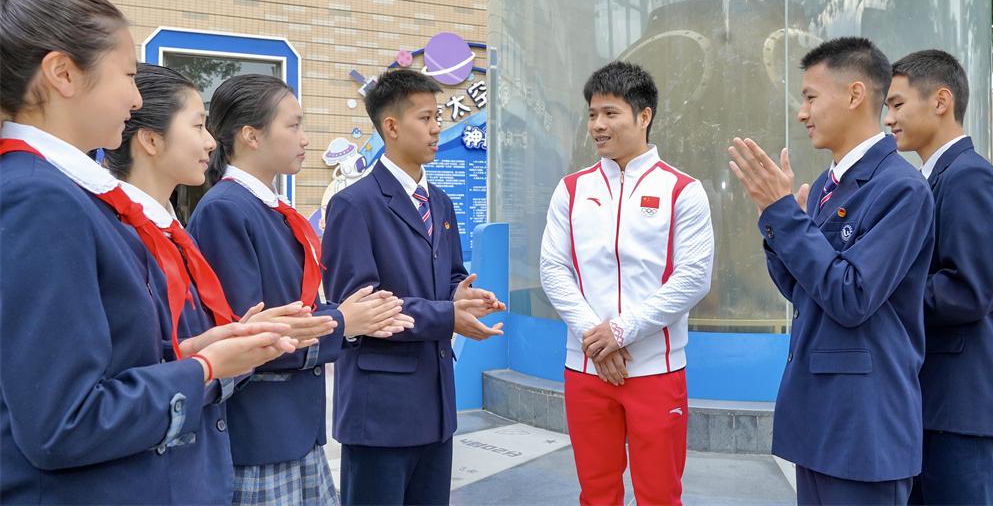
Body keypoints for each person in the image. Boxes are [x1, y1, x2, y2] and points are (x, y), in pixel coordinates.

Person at [0, 0, 293, 504]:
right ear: (63, 74)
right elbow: (64, 422)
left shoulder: (65, 194)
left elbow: (104, 363)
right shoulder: (40, 198)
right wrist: (203, 369)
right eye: (129, 75)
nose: (136, 98)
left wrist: (191, 351)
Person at [727, 37, 934, 505]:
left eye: (810, 97)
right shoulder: (827, 183)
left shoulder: (901, 188)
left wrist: (785, 217)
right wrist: (780, 226)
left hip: (863, 428)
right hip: (820, 421)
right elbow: (803, 290)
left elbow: (851, 296)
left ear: (855, 94)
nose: (802, 112)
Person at [187, 73, 410, 505]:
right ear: (251, 135)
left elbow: (295, 311)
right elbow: (248, 335)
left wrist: (344, 316)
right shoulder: (225, 210)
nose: (305, 138)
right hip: (259, 439)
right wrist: (343, 322)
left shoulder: (266, 208)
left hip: (295, 431)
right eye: (293, 125)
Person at [105, 62, 322, 503]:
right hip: (177, 461)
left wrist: (223, 344)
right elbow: (122, 376)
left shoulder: (172, 232)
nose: (210, 141)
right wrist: (213, 359)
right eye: (197, 125)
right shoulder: (119, 229)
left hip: (206, 455)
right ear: (150, 140)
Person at [322, 69, 505, 506]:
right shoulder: (353, 205)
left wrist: (463, 296)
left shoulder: (439, 202)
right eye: (425, 118)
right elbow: (364, 307)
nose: (437, 127)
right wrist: (448, 316)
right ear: (391, 126)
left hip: (435, 405)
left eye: (438, 116)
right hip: (380, 411)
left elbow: (452, 274)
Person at [539, 61, 715, 506]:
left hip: (655, 370)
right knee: (596, 492)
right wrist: (596, 339)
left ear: (644, 116)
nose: (598, 125)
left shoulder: (683, 190)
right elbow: (554, 269)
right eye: (592, 114)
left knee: (660, 494)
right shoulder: (571, 190)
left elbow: (693, 278)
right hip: (586, 368)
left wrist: (621, 331)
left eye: (610, 113)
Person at [885, 50, 993, 505]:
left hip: (962, 414)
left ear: (941, 101)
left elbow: (967, 291)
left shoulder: (969, 178)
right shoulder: (934, 180)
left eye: (897, 104)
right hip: (935, 408)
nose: (889, 119)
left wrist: (881, 294)